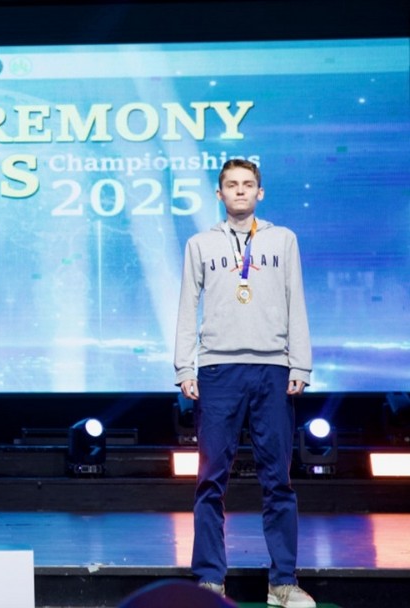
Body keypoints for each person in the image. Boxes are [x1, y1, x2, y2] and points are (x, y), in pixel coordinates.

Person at [174, 159, 316, 608]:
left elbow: (296, 301)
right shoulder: (200, 244)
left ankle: (283, 583)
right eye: (232, 185)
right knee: (210, 481)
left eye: (248, 184)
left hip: (273, 369)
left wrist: (301, 365)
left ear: (260, 192)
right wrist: (184, 367)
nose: (240, 191)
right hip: (218, 371)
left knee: (278, 481)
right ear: (219, 194)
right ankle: (210, 580)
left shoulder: (283, 239)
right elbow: (186, 305)